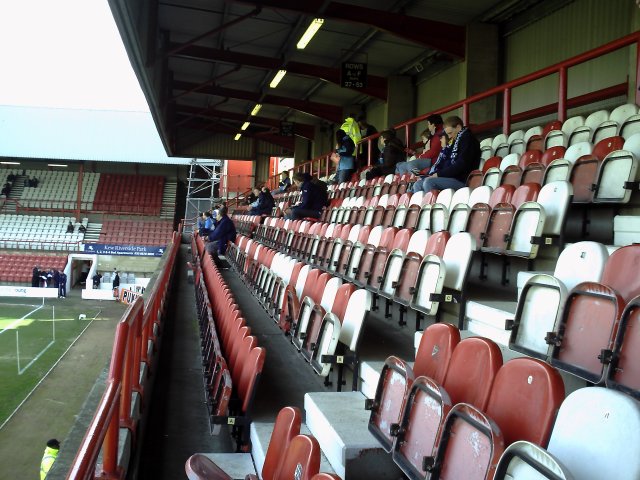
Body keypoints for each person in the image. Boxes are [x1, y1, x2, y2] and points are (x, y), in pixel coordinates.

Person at [412, 115, 481, 193]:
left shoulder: (468, 140)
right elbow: (447, 163)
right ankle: (423, 205)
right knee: (418, 184)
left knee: (429, 182)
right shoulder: (455, 141)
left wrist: (439, 174)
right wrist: (436, 174)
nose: (449, 136)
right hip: (450, 177)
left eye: (450, 133)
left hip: (462, 180)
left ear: (458, 127)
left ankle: (435, 205)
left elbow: (461, 164)